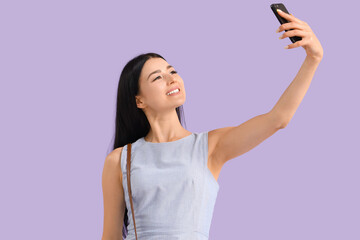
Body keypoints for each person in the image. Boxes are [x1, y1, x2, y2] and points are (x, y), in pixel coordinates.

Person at [102, 11, 323, 240]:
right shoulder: (120, 160)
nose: (172, 79)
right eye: (157, 78)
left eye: (173, 71)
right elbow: (110, 236)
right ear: (139, 100)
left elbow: (278, 119)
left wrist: (313, 59)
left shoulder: (210, 146)